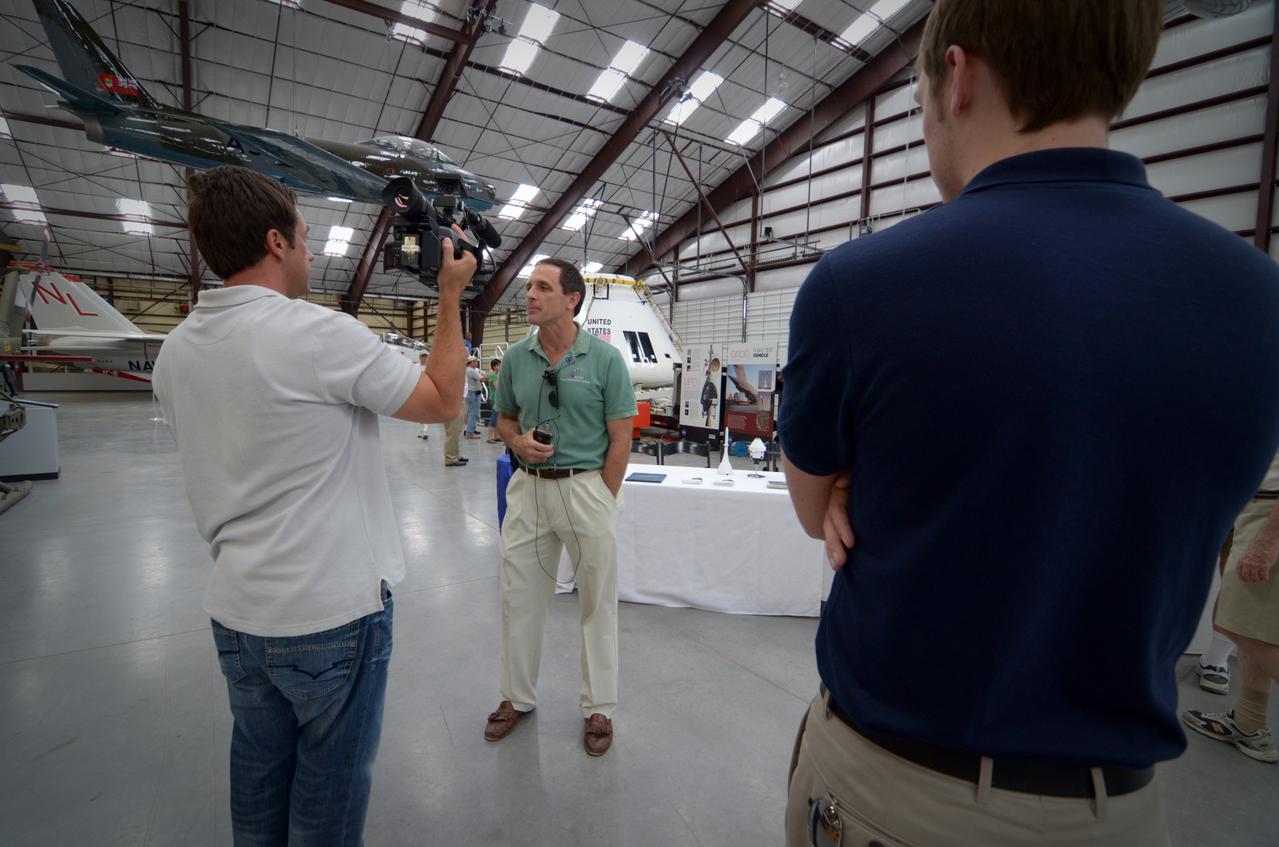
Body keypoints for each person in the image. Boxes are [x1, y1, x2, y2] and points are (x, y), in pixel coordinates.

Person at [778, 2, 1279, 845]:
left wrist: (857, 477)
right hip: (1121, 806)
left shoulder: (861, 285)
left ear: (958, 77)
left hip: (901, 795)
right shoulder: (1256, 298)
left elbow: (812, 509)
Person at [152, 166, 473, 845]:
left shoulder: (174, 352)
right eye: (303, 235)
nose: (307, 248)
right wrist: (449, 296)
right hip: (329, 614)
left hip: (238, 613)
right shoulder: (316, 334)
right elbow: (443, 400)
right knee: (327, 794)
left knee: (259, 774)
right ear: (275, 242)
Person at [484, 258, 636, 756]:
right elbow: (504, 418)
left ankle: (599, 707)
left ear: (572, 299)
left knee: (597, 602)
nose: (529, 295)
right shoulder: (514, 360)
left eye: (542, 287)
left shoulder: (605, 360)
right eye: (529, 286)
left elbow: (621, 437)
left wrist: (602, 496)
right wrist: (517, 442)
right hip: (527, 490)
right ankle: (516, 697)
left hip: (585, 487)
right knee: (519, 597)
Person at [1183, 449, 1279, 764]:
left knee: (1237, 625)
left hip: (1269, 511)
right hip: (1251, 502)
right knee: (1254, 627)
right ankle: (1249, 725)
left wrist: (1269, 540)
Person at [464, 354, 484, 438]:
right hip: (473, 393)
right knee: (473, 413)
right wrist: (492, 374)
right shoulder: (471, 371)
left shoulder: (467, 370)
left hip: (470, 392)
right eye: (476, 361)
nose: (477, 363)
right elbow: (482, 379)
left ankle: (471, 429)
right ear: (471, 362)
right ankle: (470, 432)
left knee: (471, 412)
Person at [485, 358, 502, 443]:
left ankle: (496, 436)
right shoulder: (493, 376)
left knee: (498, 418)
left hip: (497, 398)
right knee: (494, 417)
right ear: (494, 366)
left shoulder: (497, 375)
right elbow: (497, 387)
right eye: (499, 365)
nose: (500, 366)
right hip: (494, 398)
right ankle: (490, 437)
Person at [417, 352, 430, 440]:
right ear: (419, 357)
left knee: (425, 412)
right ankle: (422, 431)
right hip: (418, 392)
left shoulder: (430, 368)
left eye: (425, 357)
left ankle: (425, 431)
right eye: (422, 356)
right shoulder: (415, 367)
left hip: (427, 392)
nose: (424, 358)